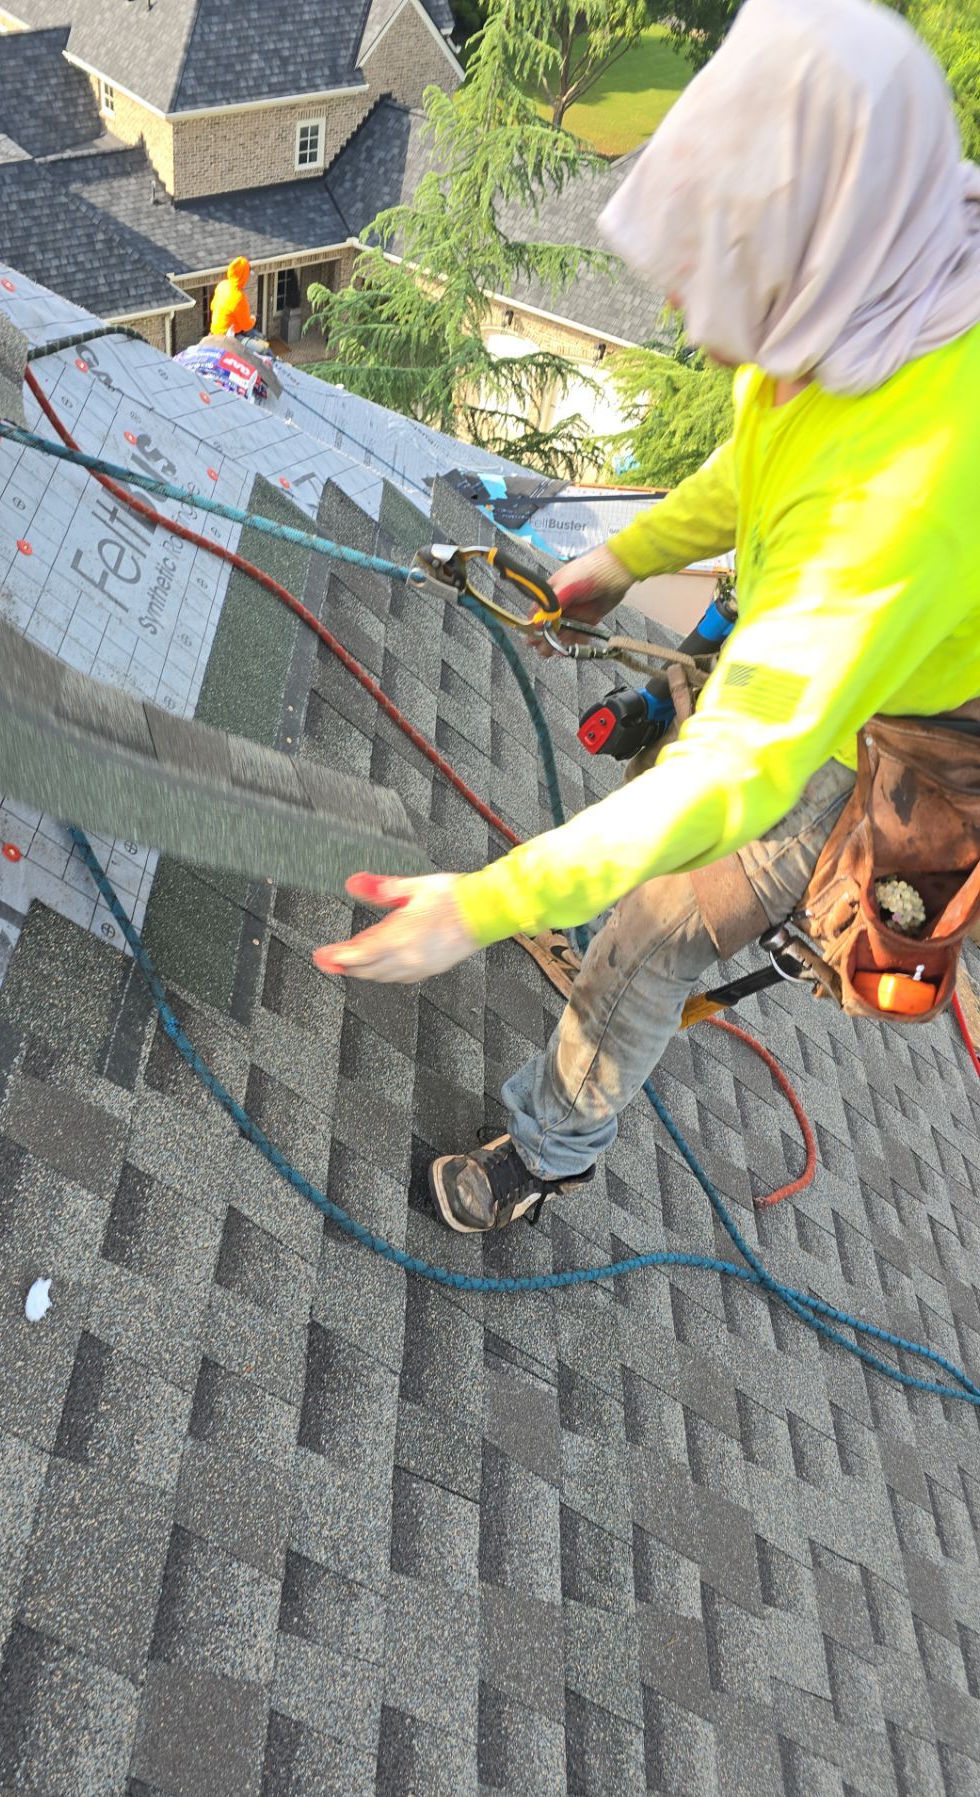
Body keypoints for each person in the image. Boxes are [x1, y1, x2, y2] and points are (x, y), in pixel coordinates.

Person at [312, 0, 980, 1237]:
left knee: (656, 933)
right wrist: (624, 559)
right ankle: (586, 890)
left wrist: (485, 904)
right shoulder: (876, 286)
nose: (704, 326)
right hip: (803, 634)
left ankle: (552, 1152)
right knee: (653, 794)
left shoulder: (906, 500)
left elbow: (742, 774)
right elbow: (762, 458)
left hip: (874, 741)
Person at [210, 257, 256, 337]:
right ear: (244, 276)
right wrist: (253, 319)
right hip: (228, 335)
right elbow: (246, 326)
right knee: (263, 349)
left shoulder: (222, 285)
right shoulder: (239, 297)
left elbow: (212, 306)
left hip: (214, 330)